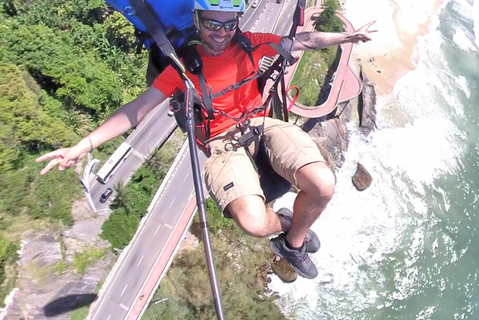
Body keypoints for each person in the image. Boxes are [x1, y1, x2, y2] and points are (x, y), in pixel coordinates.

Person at [36, 0, 375, 279]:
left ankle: (293, 243)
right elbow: (137, 110)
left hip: (259, 120)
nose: (221, 34)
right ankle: (286, 222)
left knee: (323, 183)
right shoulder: (182, 68)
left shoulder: (251, 42)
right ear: (197, 20)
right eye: (213, 25)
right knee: (254, 222)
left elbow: (302, 41)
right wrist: (83, 145)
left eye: (229, 25)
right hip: (220, 139)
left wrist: (348, 38)